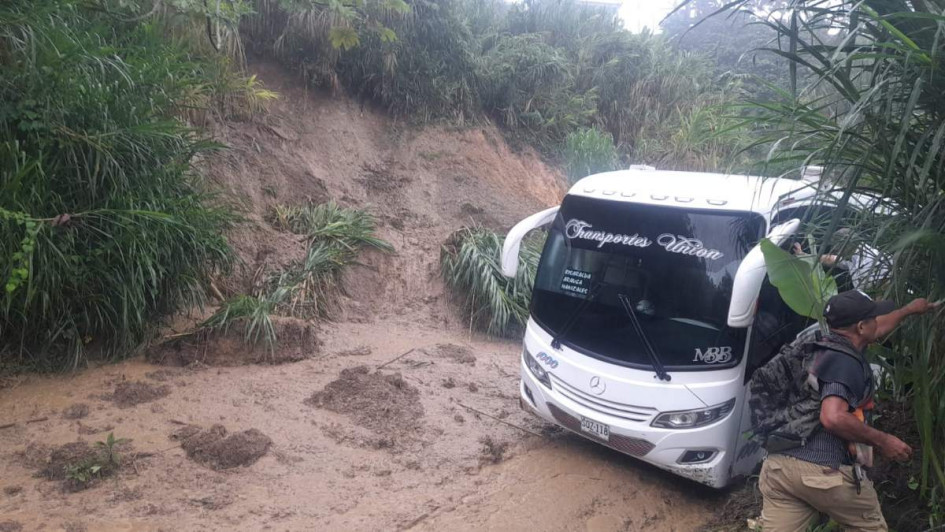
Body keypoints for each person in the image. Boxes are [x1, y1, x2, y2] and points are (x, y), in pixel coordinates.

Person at [759, 290, 940, 532]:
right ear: (861, 327)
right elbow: (832, 417)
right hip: (823, 473)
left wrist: (909, 310)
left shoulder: (818, 343)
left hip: (780, 469)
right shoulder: (844, 362)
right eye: (872, 318)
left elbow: (879, 327)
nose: (878, 321)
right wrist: (884, 440)